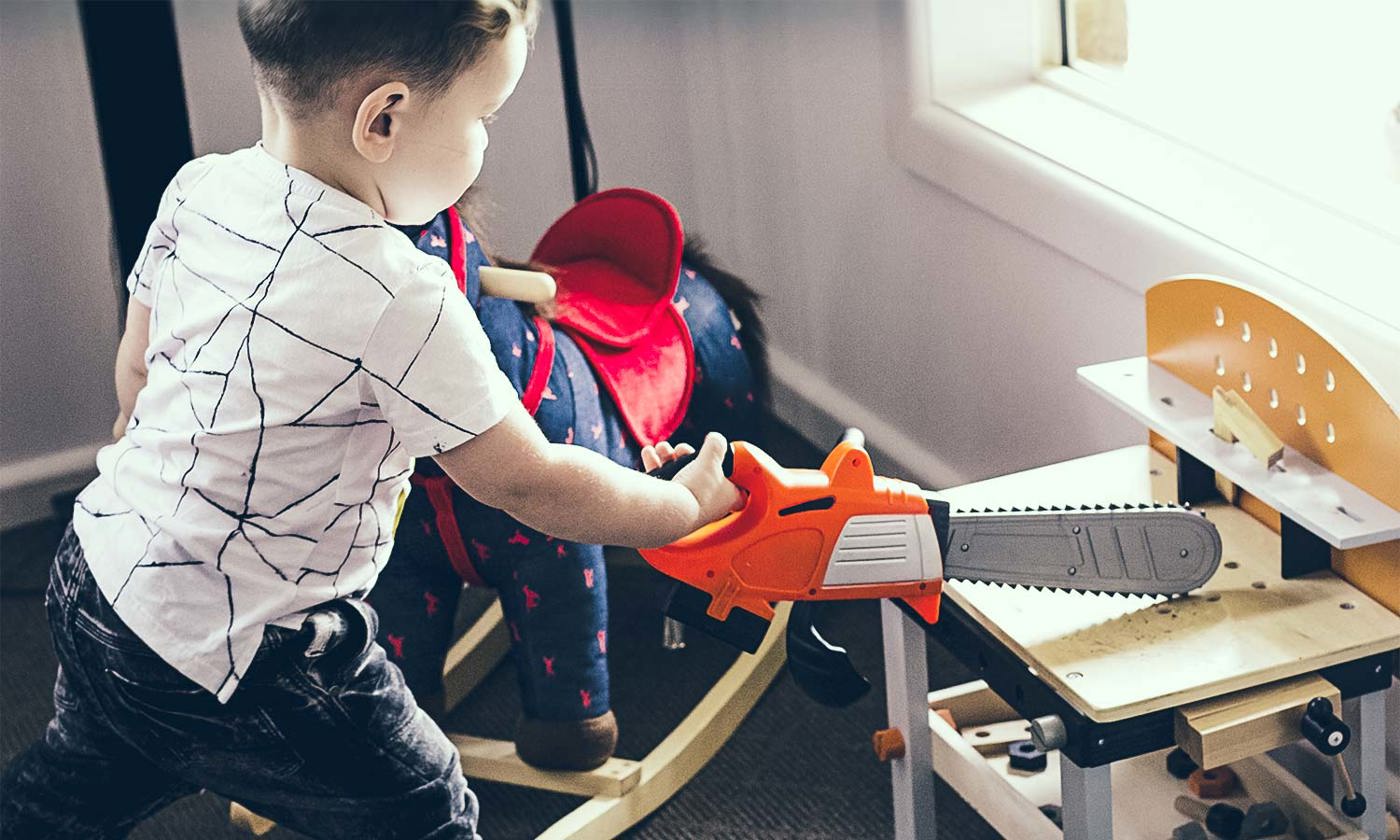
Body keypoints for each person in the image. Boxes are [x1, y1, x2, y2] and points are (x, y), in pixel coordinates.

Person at [0, 2, 739, 838]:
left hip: (98, 575)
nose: (486, 142)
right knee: (423, 805)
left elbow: (135, 373)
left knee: (80, 780)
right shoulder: (401, 291)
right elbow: (527, 481)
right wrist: (680, 507)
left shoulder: (199, 188)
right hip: (253, 653)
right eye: (485, 117)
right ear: (383, 118)